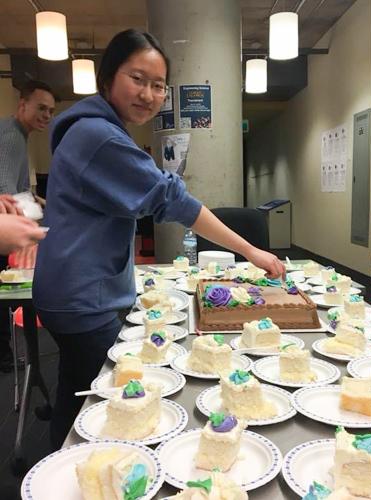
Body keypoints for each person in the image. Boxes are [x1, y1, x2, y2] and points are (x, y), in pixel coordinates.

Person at [33, 29, 285, 449]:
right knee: (114, 409)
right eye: (137, 78)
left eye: (158, 85)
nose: (148, 94)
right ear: (108, 77)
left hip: (71, 289)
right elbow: (171, 199)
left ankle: (51, 461)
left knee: (77, 393)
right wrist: (249, 250)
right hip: (82, 297)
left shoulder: (96, 129)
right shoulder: (100, 136)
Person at [0, 80, 55, 372]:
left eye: (50, 111)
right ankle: (5, 357)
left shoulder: (18, 135)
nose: (46, 115)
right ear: (22, 105)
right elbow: (6, 196)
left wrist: (40, 200)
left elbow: (20, 192)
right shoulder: (11, 137)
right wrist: (34, 226)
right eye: (40, 108)